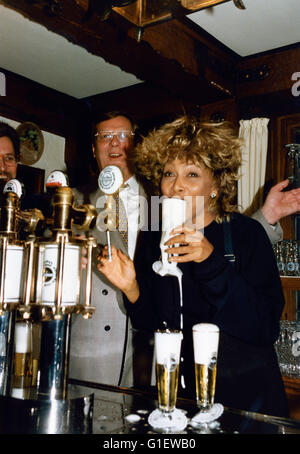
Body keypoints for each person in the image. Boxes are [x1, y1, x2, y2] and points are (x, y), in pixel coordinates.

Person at [97, 116, 289, 417]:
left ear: (216, 185)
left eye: (192, 174)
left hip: (247, 406)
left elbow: (265, 327)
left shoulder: (245, 233)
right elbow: (152, 321)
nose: (176, 186)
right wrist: (131, 286)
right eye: (169, 173)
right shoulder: (153, 236)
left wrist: (210, 260)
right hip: (180, 402)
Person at [69, 111, 152, 388]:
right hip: (89, 356)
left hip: (147, 354)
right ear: (94, 149)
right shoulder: (71, 202)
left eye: (123, 136)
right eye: (105, 137)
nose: (115, 144)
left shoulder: (161, 200)